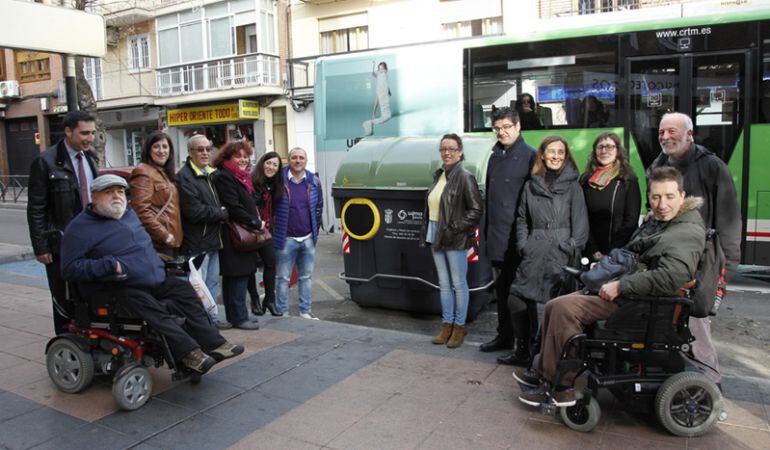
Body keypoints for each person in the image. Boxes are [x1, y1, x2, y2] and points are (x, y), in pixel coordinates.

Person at [514, 167, 706, 406]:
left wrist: (621, 285)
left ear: (682, 195)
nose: (661, 203)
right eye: (655, 197)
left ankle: (560, 386)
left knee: (564, 309)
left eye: (669, 196)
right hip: (634, 298)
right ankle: (545, 374)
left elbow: (670, 277)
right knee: (555, 304)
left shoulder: (685, 231)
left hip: (642, 305)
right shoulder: (661, 222)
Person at [59, 175, 244, 374]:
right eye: (109, 192)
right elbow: (69, 268)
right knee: (153, 308)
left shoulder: (128, 214)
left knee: (184, 291)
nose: (116, 196)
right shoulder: (80, 228)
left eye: (120, 191)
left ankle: (214, 343)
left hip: (153, 279)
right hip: (117, 288)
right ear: (94, 197)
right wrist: (108, 265)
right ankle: (190, 353)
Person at [647, 112, 742, 384]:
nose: (665, 137)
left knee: (697, 332)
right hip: (667, 263)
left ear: (689, 134)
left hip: (702, 267)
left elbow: (730, 223)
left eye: (672, 132)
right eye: (662, 132)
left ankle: (709, 390)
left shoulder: (712, 167)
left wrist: (723, 276)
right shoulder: (657, 166)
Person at [506, 135, 589, 367]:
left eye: (560, 152)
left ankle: (541, 353)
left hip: (561, 252)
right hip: (535, 248)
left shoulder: (574, 187)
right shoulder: (531, 185)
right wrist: (523, 244)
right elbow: (522, 218)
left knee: (555, 306)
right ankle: (522, 350)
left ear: (566, 156)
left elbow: (581, 226)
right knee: (517, 298)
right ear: (542, 154)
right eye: (551, 151)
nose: (555, 156)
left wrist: (570, 247)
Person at [27, 110, 99, 334]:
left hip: (92, 241)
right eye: (84, 133)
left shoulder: (91, 157)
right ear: (68, 131)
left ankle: (90, 342)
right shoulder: (45, 162)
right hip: (61, 244)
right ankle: (66, 342)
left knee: (89, 295)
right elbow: (36, 209)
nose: (90, 138)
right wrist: (41, 247)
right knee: (63, 299)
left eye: (93, 133)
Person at [479, 107, 537, 362]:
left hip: (519, 238)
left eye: (506, 127)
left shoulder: (530, 156)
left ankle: (525, 346)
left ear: (518, 127)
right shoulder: (493, 156)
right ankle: (504, 336)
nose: (501, 132)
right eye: (498, 128)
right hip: (497, 237)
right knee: (501, 292)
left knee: (521, 297)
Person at [419, 134, 483, 348]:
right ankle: (446, 325)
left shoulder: (465, 177)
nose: (447, 152)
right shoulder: (439, 176)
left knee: (458, 283)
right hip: (435, 232)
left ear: (460, 152)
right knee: (444, 284)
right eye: (443, 149)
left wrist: (455, 227)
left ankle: (459, 327)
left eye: (452, 149)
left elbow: (476, 210)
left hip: (454, 235)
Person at [176, 135, 230, 329]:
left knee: (212, 284)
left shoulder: (211, 174)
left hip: (213, 240)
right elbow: (194, 211)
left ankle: (212, 320)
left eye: (208, 149)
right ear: (190, 153)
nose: (205, 153)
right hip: (197, 242)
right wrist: (221, 213)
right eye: (200, 149)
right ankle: (201, 324)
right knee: (199, 288)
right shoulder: (185, 177)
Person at [211, 141, 263, 330]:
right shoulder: (225, 176)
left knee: (241, 275)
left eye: (245, 156)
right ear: (227, 158)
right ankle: (239, 317)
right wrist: (254, 222)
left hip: (242, 234)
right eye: (238, 156)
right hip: (234, 235)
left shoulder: (240, 177)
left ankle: (239, 314)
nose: (243, 160)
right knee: (237, 276)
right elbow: (233, 207)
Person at [273, 147, 323, 319]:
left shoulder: (313, 180)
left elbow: (319, 206)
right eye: (294, 157)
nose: (298, 160)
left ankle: (305, 312)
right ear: (289, 160)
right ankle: (283, 313)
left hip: (308, 238)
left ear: (305, 161)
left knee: (306, 278)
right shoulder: (279, 180)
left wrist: (316, 228)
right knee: (283, 278)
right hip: (285, 239)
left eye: (301, 157)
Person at [580, 132, 641, 261]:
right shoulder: (585, 180)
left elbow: (631, 220)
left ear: (618, 150)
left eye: (610, 146)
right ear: (595, 151)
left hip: (619, 251)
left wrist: (612, 252)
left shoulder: (628, 179)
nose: (604, 150)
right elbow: (581, 217)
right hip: (591, 251)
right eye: (600, 147)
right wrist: (594, 250)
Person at [130, 130, 183, 257]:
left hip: (173, 240)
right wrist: (164, 235)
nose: (161, 151)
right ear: (148, 150)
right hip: (159, 243)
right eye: (156, 146)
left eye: (165, 146)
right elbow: (141, 210)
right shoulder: (143, 172)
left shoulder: (165, 173)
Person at [250, 151, 284, 317]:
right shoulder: (252, 182)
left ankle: (269, 300)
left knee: (271, 262)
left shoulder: (275, 185)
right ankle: (255, 300)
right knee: (250, 266)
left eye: (275, 165)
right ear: (262, 163)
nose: (271, 167)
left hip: (266, 230)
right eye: (269, 163)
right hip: (250, 229)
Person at [362, 61, 392, 136]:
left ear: (385, 69)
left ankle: (375, 115)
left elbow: (385, 83)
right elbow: (373, 74)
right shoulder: (379, 75)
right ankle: (373, 114)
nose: (381, 70)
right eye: (379, 68)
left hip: (382, 92)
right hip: (380, 91)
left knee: (379, 105)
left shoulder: (384, 74)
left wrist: (388, 91)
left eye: (382, 68)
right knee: (376, 103)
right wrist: (373, 65)